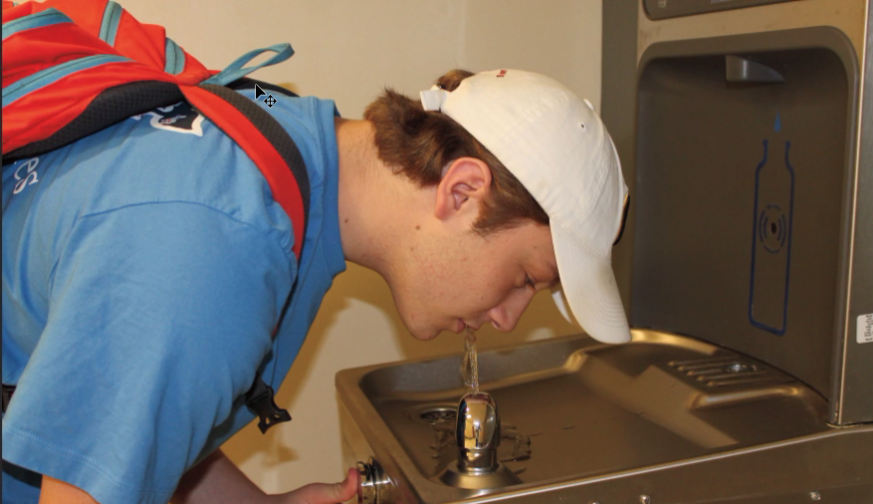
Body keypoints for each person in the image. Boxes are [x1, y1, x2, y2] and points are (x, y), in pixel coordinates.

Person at [1, 67, 629, 504]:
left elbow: (130, 409)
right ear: (461, 191)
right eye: (524, 278)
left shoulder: (283, 123)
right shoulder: (214, 249)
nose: (508, 319)